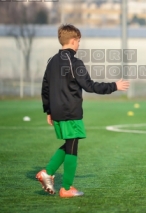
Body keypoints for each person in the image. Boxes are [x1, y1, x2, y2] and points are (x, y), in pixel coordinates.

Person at [36, 24, 130, 198]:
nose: (79, 45)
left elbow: (45, 88)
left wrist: (48, 110)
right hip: (70, 111)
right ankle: (65, 187)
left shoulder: (51, 61)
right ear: (73, 41)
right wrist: (114, 86)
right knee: (72, 146)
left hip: (57, 111)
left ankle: (47, 173)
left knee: (70, 143)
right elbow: (90, 85)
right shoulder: (75, 62)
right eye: (78, 41)